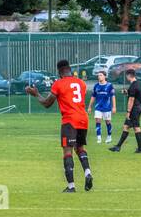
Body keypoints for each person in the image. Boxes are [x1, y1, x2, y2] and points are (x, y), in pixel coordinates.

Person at [27, 60, 93, 193]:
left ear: (59, 71)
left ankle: (71, 186)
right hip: (83, 119)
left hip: (69, 120)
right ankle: (87, 173)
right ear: (69, 69)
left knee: (67, 151)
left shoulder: (59, 84)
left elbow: (46, 103)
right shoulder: (81, 83)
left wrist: (36, 94)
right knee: (80, 148)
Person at [110, 68, 141, 153]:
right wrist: (127, 92)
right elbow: (135, 95)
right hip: (138, 107)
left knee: (136, 128)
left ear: (129, 75)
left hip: (134, 109)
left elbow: (131, 100)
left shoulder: (133, 86)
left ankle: (140, 149)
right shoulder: (139, 84)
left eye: (126, 76)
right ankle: (118, 147)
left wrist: (128, 111)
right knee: (127, 126)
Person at [89, 72, 116, 144]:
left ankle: (109, 136)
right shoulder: (96, 86)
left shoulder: (109, 85)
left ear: (105, 76)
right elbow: (93, 96)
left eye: (101, 75)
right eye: (98, 75)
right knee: (97, 121)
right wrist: (90, 107)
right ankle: (99, 138)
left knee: (108, 122)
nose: (99, 77)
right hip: (98, 107)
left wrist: (114, 107)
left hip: (107, 108)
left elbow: (113, 96)